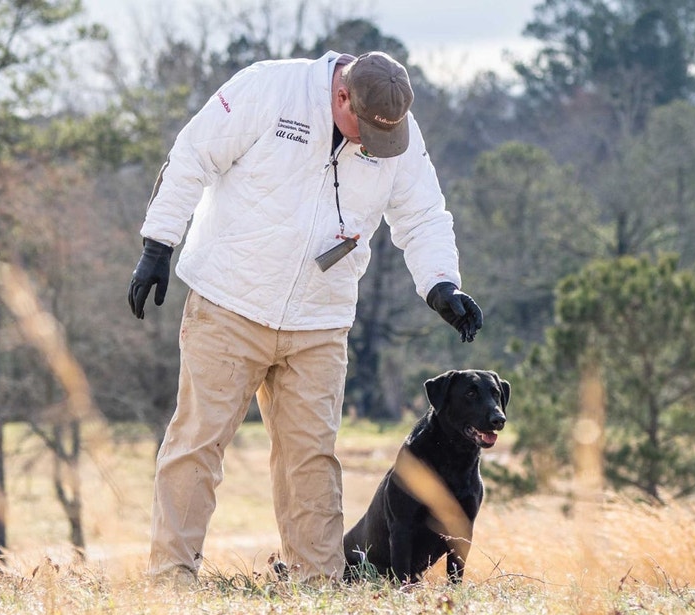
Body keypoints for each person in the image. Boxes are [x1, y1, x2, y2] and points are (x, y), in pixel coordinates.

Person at [127, 50, 483, 585]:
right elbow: (191, 156)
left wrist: (441, 284)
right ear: (343, 96)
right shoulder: (267, 89)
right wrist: (158, 245)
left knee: (311, 459)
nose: (370, 145)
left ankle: (316, 584)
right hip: (230, 303)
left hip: (319, 320)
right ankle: (170, 581)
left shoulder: (394, 129)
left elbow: (422, 213)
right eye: (363, 130)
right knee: (197, 444)